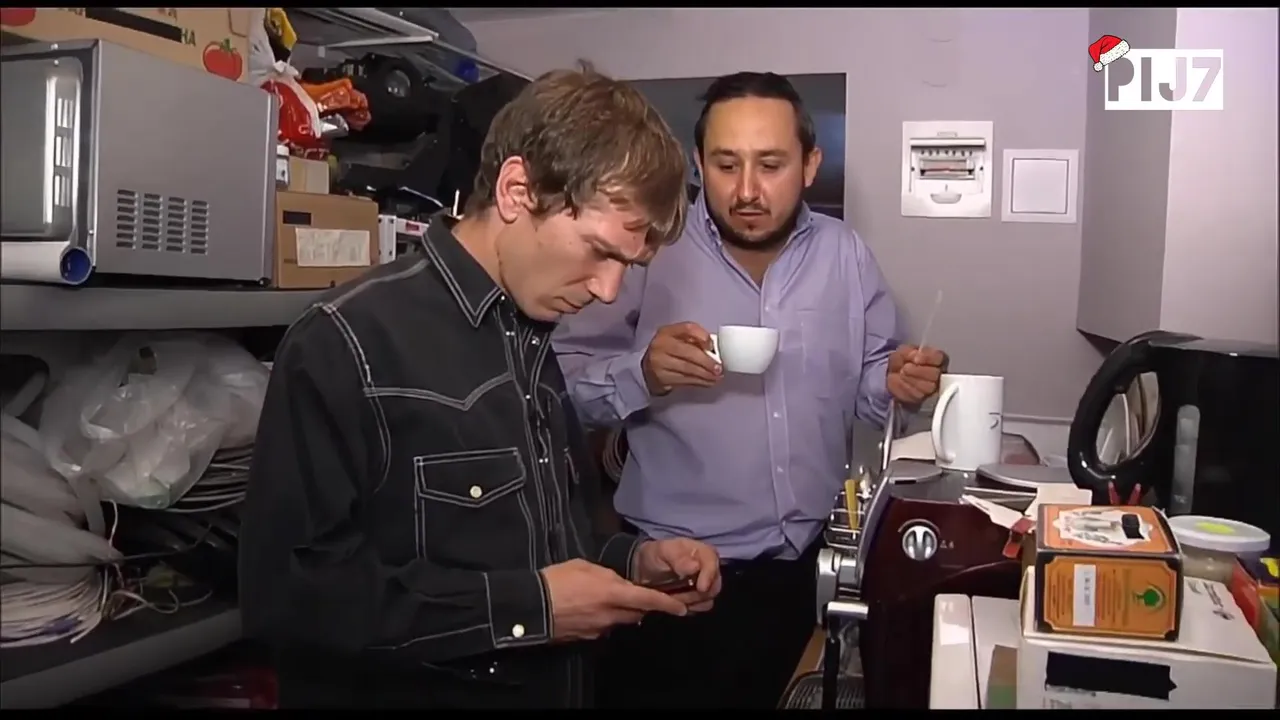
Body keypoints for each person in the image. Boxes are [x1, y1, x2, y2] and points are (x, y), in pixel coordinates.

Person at [238, 65, 724, 709]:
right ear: (518, 190)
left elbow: (543, 541)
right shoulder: (345, 342)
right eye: (599, 251)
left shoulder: (533, 335)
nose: (609, 291)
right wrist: (531, 609)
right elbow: (288, 599)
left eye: (628, 267)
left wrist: (631, 561)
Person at [553, 71, 949, 709]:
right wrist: (641, 373)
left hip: (808, 572)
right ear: (697, 162)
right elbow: (558, 387)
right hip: (675, 573)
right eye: (725, 164)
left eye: (770, 165)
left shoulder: (845, 256)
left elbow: (871, 383)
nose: (746, 191)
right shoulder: (646, 249)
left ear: (810, 164)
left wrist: (897, 383)